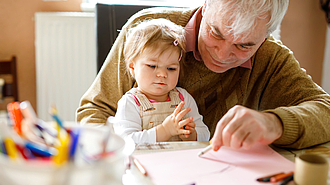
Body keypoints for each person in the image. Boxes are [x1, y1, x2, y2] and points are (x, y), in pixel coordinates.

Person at [77, 0, 330, 150]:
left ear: (266, 36)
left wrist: (275, 123)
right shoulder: (146, 32)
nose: (222, 53)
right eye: (216, 33)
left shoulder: (270, 57)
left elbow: (325, 110)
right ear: (206, 5)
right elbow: (94, 109)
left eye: (244, 46)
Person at [111, 18, 210, 143]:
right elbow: (127, 142)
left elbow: (205, 134)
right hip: (146, 161)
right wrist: (164, 131)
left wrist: (192, 135)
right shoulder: (130, 102)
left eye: (171, 68)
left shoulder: (183, 98)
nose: (163, 74)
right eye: (152, 66)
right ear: (132, 67)